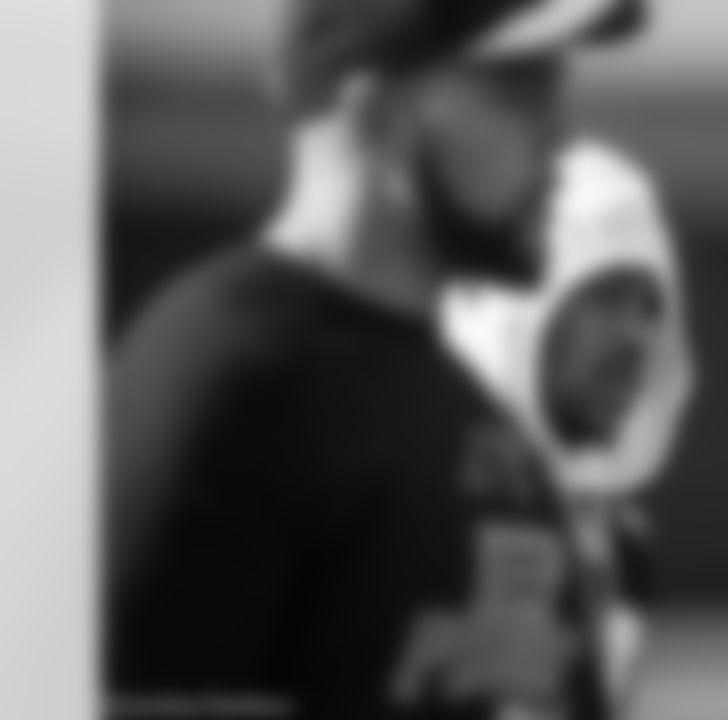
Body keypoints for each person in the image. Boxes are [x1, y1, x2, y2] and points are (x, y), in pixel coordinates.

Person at [106, 1, 661, 718]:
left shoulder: (479, 426)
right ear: (379, 112)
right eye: (522, 87)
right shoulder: (218, 377)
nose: (561, 138)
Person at [439, 135, 696, 712]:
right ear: (515, 308)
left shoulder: (621, 544)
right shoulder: (406, 507)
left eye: (649, 306)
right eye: (604, 296)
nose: (637, 339)